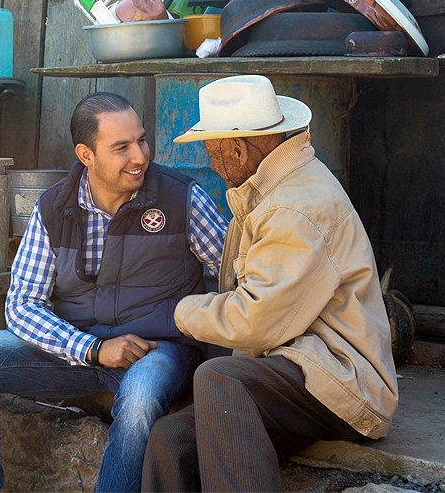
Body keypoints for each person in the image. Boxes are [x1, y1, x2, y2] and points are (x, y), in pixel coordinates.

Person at [0, 92, 228, 493]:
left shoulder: (181, 198)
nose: (139, 156)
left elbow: (236, 273)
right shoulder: (53, 208)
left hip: (157, 350)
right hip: (76, 349)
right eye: (122, 147)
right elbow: (22, 305)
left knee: (141, 397)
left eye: (142, 140)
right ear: (86, 155)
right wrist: (92, 348)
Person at [141, 75, 399, 492]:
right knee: (171, 439)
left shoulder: (294, 207)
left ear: (238, 150)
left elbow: (256, 320)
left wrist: (176, 312)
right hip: (295, 365)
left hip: (341, 381)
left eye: (212, 153)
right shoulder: (274, 190)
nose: (212, 165)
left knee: (220, 377)